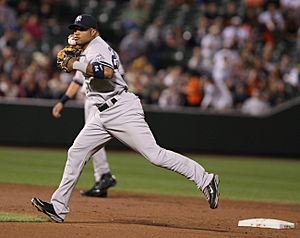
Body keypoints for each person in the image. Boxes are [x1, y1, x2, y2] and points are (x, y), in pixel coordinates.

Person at [31, 14, 220, 223]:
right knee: (76, 152)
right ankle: (58, 206)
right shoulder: (86, 48)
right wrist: (75, 57)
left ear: (93, 31)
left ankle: (205, 179)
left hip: (121, 110)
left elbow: (108, 72)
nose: (76, 32)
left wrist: (75, 64)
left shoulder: (98, 48)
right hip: (102, 114)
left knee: (155, 155)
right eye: (74, 28)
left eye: (81, 29)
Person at [52, 80, 117, 198]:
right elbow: (77, 80)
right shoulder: (86, 61)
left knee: (90, 139)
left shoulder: (106, 61)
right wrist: (62, 101)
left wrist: (62, 102)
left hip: (100, 100)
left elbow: (117, 78)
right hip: (93, 99)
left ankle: (104, 175)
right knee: (91, 139)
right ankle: (102, 177)